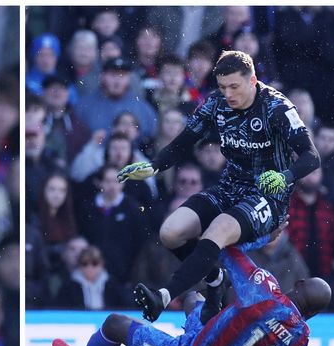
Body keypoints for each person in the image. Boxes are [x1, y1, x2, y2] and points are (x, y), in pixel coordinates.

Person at [118, 50, 320, 320]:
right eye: (223, 87)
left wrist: (285, 176)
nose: (228, 94)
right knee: (170, 232)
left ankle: (164, 296)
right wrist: (154, 166)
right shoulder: (215, 103)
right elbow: (183, 143)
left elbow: (311, 157)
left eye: (234, 86)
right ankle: (216, 280)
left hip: (267, 197)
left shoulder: (276, 107)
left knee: (218, 228)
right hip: (228, 188)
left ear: (252, 80)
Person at [53, 230, 331, 346]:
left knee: (115, 324)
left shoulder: (266, 292)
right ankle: (214, 286)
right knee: (191, 299)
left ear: (300, 284)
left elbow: (230, 250)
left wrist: (261, 234)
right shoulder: (300, 337)